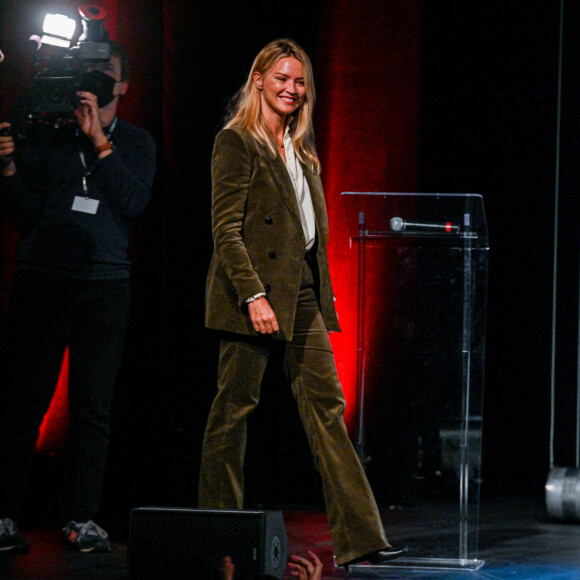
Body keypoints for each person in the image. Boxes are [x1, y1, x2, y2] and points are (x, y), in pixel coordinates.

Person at [198, 38, 405, 569]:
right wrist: (253, 295)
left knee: (327, 409)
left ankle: (362, 537)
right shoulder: (236, 141)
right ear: (259, 80)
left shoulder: (301, 148)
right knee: (233, 411)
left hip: (303, 297)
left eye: (300, 81)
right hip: (254, 297)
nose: (291, 88)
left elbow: (307, 232)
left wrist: (321, 289)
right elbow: (226, 229)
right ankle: (217, 537)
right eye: (282, 78)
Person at [0, 41, 156, 552]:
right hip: (43, 278)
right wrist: (7, 171)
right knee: (25, 401)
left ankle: (81, 518)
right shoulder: (51, 135)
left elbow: (133, 201)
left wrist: (100, 143)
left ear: (124, 84)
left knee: (93, 408)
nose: (96, 78)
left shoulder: (136, 142)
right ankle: (3, 516)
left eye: (107, 71)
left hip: (104, 286)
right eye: (88, 69)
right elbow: (24, 215)